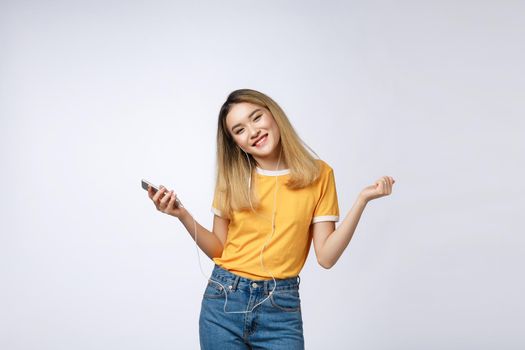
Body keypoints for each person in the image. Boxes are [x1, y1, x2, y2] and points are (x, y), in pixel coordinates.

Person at [146, 88, 396, 349]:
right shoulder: (233, 179)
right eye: (239, 130)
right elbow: (219, 248)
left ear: (273, 115)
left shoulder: (318, 174)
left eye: (256, 117)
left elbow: (326, 257)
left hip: (281, 309)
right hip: (223, 301)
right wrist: (182, 215)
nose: (253, 131)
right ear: (235, 143)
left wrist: (361, 201)